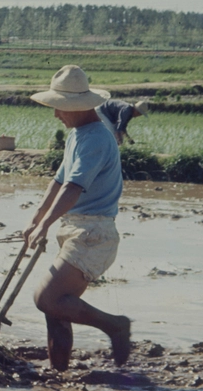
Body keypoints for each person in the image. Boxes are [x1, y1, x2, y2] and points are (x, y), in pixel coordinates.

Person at [23, 64, 131, 372]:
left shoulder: (96, 139)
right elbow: (58, 181)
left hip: (93, 234)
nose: (56, 114)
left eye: (60, 108)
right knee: (57, 310)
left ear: (79, 107)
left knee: (46, 298)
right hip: (77, 229)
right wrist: (36, 219)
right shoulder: (78, 135)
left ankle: (115, 325)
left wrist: (45, 225)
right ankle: (58, 376)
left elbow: (73, 187)